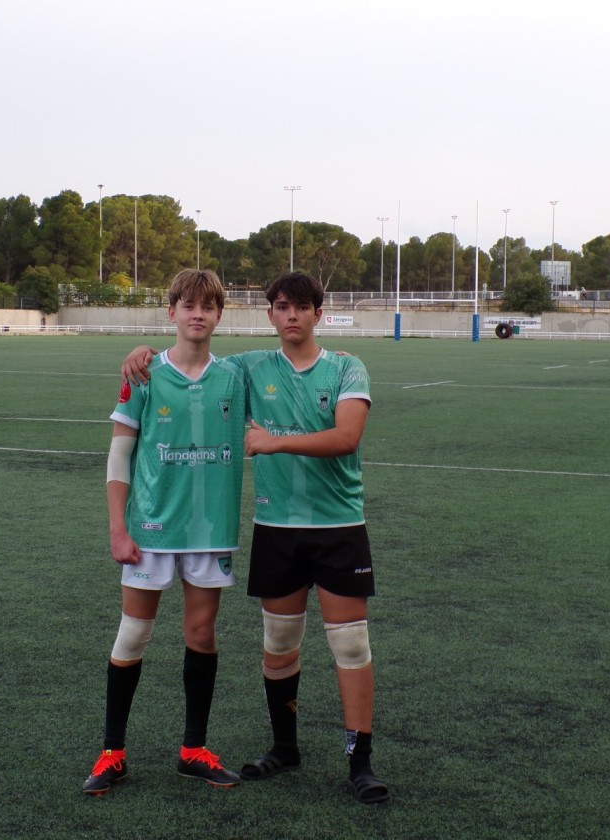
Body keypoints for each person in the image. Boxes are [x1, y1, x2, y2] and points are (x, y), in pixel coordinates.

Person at [122, 272, 388, 804]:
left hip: (338, 526)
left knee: (350, 644)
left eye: (302, 307)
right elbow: (193, 355)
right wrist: (142, 352)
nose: (292, 316)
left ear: (318, 314)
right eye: (282, 307)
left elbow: (347, 436)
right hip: (276, 529)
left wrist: (274, 443)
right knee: (279, 644)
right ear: (270, 315)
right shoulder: (249, 368)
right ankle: (284, 748)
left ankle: (360, 763)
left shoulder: (346, 367)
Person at [82, 269, 246, 796]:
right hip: (149, 529)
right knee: (133, 634)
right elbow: (119, 457)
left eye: (208, 307)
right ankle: (112, 753)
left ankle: (193, 750)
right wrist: (117, 528)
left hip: (210, 531)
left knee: (201, 635)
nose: (198, 314)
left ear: (219, 316)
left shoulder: (235, 377)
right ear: (171, 312)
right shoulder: (144, 373)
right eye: (188, 305)